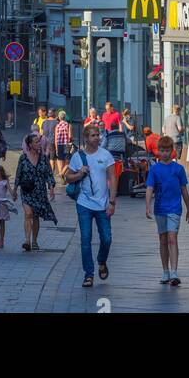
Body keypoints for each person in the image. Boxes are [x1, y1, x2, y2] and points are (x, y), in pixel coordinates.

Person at [66, 122, 118, 289]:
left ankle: (101, 261)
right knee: (85, 239)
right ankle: (88, 274)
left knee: (107, 238)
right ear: (87, 139)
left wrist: (112, 201)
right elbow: (68, 178)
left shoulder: (106, 155)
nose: (97, 137)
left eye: (98, 135)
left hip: (103, 204)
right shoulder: (78, 157)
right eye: (94, 135)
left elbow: (113, 178)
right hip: (84, 203)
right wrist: (80, 173)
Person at [145, 135, 189, 286]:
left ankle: (174, 272)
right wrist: (148, 206)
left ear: (172, 151)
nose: (165, 153)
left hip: (174, 208)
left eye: (167, 150)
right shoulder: (154, 169)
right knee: (163, 240)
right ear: (158, 151)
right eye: (162, 150)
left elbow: (184, 189)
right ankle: (165, 271)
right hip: (160, 209)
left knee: (172, 238)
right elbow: (149, 188)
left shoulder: (178, 169)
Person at [13, 132, 57, 251]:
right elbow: (18, 174)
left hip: (40, 191)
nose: (39, 143)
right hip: (26, 190)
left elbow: (48, 173)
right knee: (28, 214)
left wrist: (51, 187)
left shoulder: (43, 158)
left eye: (39, 141)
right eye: (36, 142)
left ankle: (35, 240)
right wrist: (14, 189)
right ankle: (27, 240)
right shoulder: (23, 158)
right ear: (30, 144)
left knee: (36, 216)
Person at [52, 111, 72, 181]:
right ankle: (63, 173)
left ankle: (61, 174)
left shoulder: (57, 126)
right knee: (67, 161)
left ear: (59, 118)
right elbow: (70, 137)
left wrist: (56, 148)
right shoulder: (68, 125)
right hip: (67, 145)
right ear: (65, 117)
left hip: (59, 145)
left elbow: (56, 138)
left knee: (60, 160)